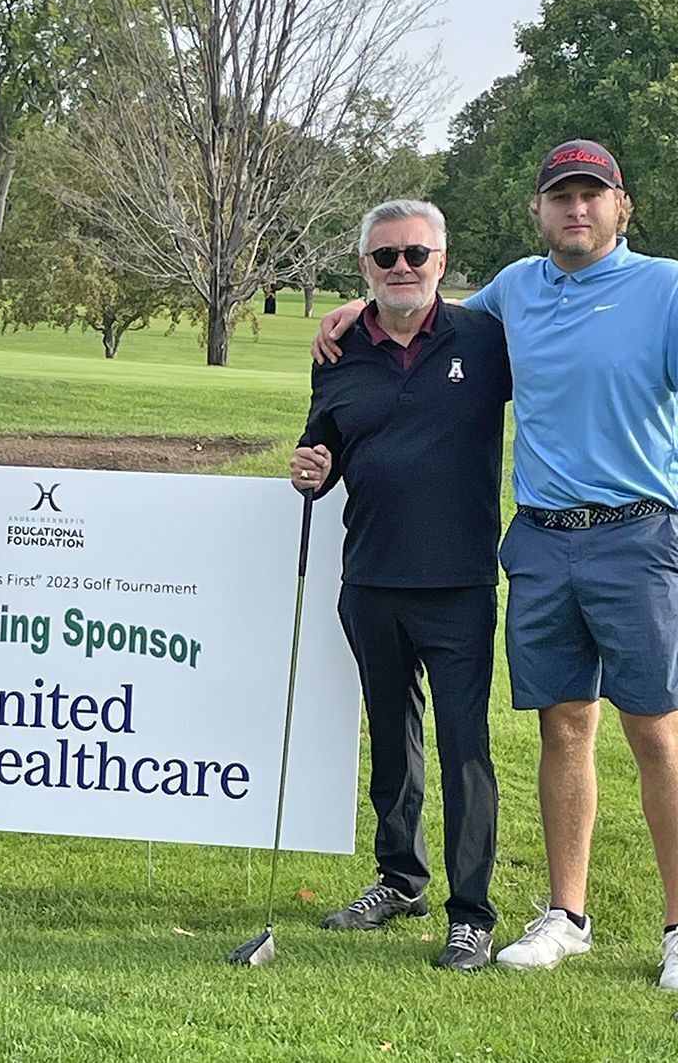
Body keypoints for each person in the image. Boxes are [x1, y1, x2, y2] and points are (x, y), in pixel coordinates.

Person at [313, 141, 678, 989]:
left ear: (622, 205)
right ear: (539, 211)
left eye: (592, 195)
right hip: (543, 540)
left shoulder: (663, 286)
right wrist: (347, 312)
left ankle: (675, 926)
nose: (575, 210)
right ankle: (566, 913)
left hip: (638, 533)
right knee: (564, 725)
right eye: (560, 197)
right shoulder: (516, 290)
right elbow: (418, 311)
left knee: (656, 732)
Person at [292, 199, 510, 970]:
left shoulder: (486, 339)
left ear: (442, 261)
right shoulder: (339, 351)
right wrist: (310, 472)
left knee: (464, 746)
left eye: (417, 253)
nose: (402, 268)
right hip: (372, 577)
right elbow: (321, 449)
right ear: (364, 267)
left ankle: (472, 911)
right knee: (392, 734)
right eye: (385, 257)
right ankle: (400, 877)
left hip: (457, 582)